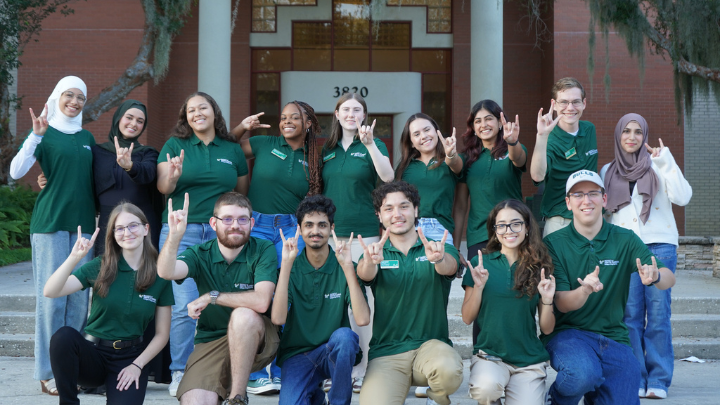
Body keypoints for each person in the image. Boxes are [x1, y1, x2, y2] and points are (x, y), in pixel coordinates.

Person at [541, 170, 676, 405]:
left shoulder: (625, 239)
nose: (586, 200)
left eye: (593, 193)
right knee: (582, 374)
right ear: (568, 203)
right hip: (569, 335)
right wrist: (584, 290)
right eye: (578, 195)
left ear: (604, 199)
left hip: (614, 337)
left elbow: (668, 278)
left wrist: (655, 276)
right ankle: (557, 399)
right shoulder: (553, 244)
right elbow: (561, 303)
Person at [156, 92, 250, 396]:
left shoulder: (231, 149)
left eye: (203, 108)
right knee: (184, 306)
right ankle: (180, 370)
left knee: (225, 299)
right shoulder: (174, 146)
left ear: (214, 112)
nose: (197, 113)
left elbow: (240, 195)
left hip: (223, 234)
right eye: (191, 110)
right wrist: (173, 176)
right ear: (186, 116)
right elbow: (163, 188)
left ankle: (226, 367)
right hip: (183, 233)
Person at [9, 76, 96, 395]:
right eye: (69, 95)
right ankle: (47, 372)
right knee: (52, 300)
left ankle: (69, 366)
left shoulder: (87, 137)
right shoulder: (44, 132)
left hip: (84, 226)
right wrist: (34, 136)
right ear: (57, 96)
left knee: (78, 300)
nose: (74, 102)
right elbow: (15, 172)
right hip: (49, 225)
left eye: (81, 98)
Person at [231, 101, 323, 394]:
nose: (286, 121)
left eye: (294, 117)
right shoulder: (263, 143)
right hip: (257, 224)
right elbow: (226, 148)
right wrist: (242, 128)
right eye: (283, 117)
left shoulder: (315, 158)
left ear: (308, 123)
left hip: (291, 230)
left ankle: (283, 369)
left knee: (288, 297)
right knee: (257, 294)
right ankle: (257, 372)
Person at [600, 114, 692, 400]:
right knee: (629, 315)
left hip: (659, 247)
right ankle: (635, 376)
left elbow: (683, 197)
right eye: (626, 131)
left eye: (638, 132)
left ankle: (659, 380)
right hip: (625, 250)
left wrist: (666, 161)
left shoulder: (659, 165)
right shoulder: (607, 171)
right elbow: (605, 216)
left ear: (645, 136)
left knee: (659, 315)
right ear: (618, 135)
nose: (632, 136)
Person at [43, 203, 173, 405]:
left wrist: (137, 366)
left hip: (130, 358)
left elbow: (162, 334)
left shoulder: (161, 274)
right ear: (113, 234)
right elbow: (50, 291)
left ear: (146, 229)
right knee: (63, 337)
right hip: (93, 353)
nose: (127, 232)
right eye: (119, 228)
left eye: (133, 226)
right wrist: (74, 257)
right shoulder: (101, 266)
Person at [157, 192, 279, 405]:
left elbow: (261, 301)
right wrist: (175, 237)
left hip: (258, 337)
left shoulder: (263, 248)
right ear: (213, 223)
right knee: (195, 402)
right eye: (227, 219)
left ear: (251, 223)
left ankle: (237, 398)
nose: (235, 225)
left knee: (243, 316)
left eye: (242, 219)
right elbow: (167, 272)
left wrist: (212, 297)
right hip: (211, 340)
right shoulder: (199, 253)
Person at [357, 181, 463, 405]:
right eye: (388, 209)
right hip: (387, 353)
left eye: (404, 206)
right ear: (379, 215)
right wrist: (369, 262)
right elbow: (365, 274)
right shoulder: (375, 253)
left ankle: (436, 399)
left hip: (430, 347)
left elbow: (450, 266)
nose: (397, 214)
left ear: (415, 210)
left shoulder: (437, 247)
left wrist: (440, 259)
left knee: (448, 371)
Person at [321, 92, 394, 392]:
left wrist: (369, 145)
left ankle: (365, 369)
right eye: (346, 109)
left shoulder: (374, 145)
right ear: (337, 115)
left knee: (365, 303)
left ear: (364, 116)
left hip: (365, 235)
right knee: (335, 303)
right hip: (330, 237)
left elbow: (388, 177)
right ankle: (339, 367)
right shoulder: (325, 149)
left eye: (357, 110)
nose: (351, 114)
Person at [272, 195, 371, 405]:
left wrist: (347, 269)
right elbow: (278, 318)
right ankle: (316, 396)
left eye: (322, 225)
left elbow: (362, 319)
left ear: (331, 228)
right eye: (308, 225)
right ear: (299, 228)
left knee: (346, 337)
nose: (315, 231)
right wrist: (287, 265)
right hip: (297, 354)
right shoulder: (289, 268)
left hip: (334, 351)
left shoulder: (346, 266)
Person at [461, 199, 555, 404]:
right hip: (490, 357)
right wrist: (478, 287)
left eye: (516, 223)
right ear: (494, 230)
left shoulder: (540, 266)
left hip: (528, 361)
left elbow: (547, 329)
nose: (508, 230)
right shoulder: (480, 263)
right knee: (486, 390)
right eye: (501, 225)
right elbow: (467, 318)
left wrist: (547, 300)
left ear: (527, 227)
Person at [454, 100, 526, 259]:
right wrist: (456, 248)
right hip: (479, 236)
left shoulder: (512, 149)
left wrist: (512, 141)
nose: (483, 124)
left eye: (488, 119)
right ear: (473, 127)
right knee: (478, 283)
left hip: (512, 232)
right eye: (478, 121)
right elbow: (460, 207)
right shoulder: (467, 159)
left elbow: (518, 159)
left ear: (500, 122)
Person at [530, 77, 598, 237]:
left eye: (576, 102)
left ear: (584, 103)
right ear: (554, 105)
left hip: (591, 217)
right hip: (560, 221)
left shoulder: (589, 129)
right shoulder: (549, 139)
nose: (570, 108)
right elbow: (537, 176)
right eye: (564, 102)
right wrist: (541, 136)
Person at [395, 112, 462, 246]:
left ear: (437, 132)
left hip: (439, 229)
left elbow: (456, 164)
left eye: (427, 130)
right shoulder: (405, 167)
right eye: (417, 134)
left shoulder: (448, 162)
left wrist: (451, 154)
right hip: (409, 228)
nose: (424, 136)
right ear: (412, 143)